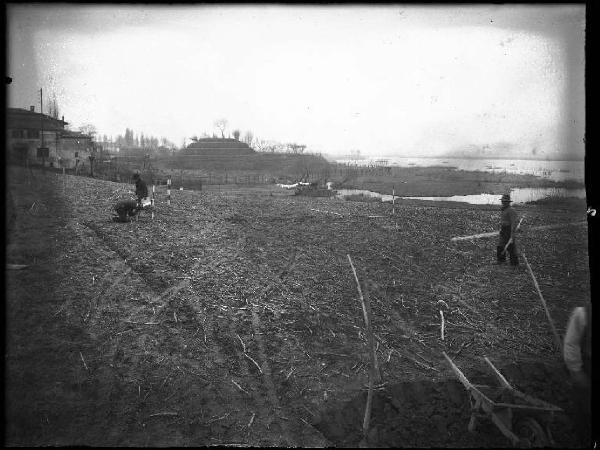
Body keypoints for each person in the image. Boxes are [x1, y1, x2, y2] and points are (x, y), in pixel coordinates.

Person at [563, 302, 591, 444]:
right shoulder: (583, 313)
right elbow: (571, 343)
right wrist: (576, 371)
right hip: (586, 373)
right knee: (584, 411)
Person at [496, 193, 519, 265]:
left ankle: (514, 263)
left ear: (508, 202)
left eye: (505, 201)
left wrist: (512, 234)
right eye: (502, 201)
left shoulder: (511, 210)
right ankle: (501, 260)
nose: (503, 202)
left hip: (509, 230)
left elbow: (514, 223)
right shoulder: (504, 209)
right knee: (500, 245)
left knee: (511, 247)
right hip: (503, 229)